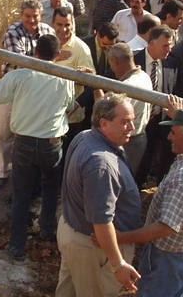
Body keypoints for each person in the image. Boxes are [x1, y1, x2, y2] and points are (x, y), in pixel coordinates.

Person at [0, 35, 75, 260]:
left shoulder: (19, 76)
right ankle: (47, 231)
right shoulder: (65, 79)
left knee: (21, 194)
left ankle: (16, 246)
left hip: (24, 143)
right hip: (52, 145)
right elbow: (70, 107)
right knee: (51, 190)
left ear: (35, 53)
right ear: (58, 55)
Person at [116, 99, 183, 297]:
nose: (169, 137)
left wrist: (122, 238)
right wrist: (181, 118)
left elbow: (165, 227)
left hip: (169, 258)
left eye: (174, 132)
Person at [56, 93, 141, 297]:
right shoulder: (101, 164)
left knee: (68, 291)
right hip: (92, 248)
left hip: (72, 231)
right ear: (104, 123)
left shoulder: (85, 136)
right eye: (125, 122)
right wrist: (117, 263)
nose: (132, 128)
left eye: (132, 121)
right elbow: (102, 221)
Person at [0, 0, 55, 190]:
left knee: (28, 133)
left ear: (41, 15)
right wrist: (48, 60)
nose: (32, 20)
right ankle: (2, 173)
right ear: (21, 16)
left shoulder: (48, 31)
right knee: (5, 133)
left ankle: (25, 176)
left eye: (35, 16)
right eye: (27, 16)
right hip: (12, 89)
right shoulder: (13, 32)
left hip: (37, 91)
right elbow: (20, 62)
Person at [134, 25, 177, 187]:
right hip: (140, 120)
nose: (169, 49)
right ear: (151, 43)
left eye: (171, 45)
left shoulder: (171, 63)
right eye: (165, 45)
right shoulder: (134, 60)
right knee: (140, 159)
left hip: (161, 119)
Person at [51, 7, 95, 153]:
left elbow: (91, 83)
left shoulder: (81, 49)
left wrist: (73, 106)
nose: (63, 29)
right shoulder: (46, 43)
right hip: (47, 115)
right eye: (59, 24)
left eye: (67, 25)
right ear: (52, 23)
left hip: (70, 119)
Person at [108, 43, 152, 176]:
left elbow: (105, 113)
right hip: (138, 138)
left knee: (118, 180)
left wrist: (94, 84)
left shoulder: (127, 86)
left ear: (115, 61)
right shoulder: (144, 76)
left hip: (127, 142)